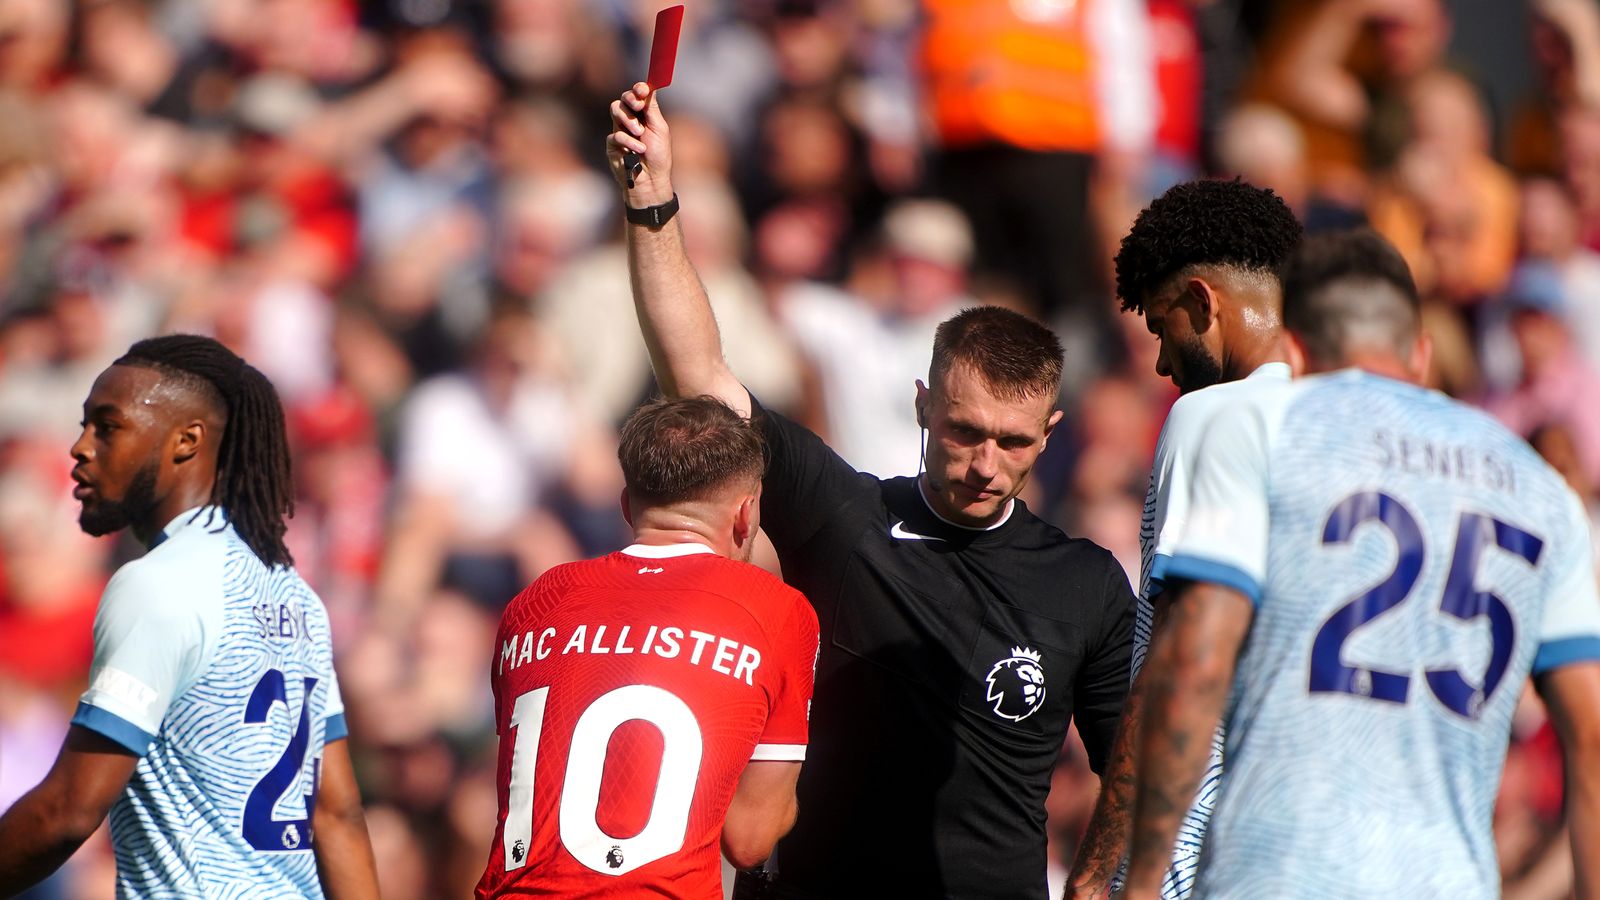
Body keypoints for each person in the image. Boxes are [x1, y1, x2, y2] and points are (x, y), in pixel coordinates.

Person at [607, 83, 1135, 900]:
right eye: (963, 431)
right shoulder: (844, 515)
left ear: (1051, 434)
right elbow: (701, 378)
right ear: (923, 404)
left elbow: (1135, 766)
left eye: (1014, 441)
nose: (985, 463)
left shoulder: (1087, 584)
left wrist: (1096, 884)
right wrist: (652, 203)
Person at [1123, 230, 1600, 898]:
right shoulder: (1539, 486)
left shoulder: (1259, 429)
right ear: (1423, 353)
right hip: (1446, 882)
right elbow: (1592, 735)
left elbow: (1196, 657)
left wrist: (1143, 881)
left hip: (1277, 872)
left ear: (1295, 350)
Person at [0, 335, 378, 898]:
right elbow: (337, 814)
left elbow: (68, 811)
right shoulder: (295, 595)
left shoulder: (157, 584)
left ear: (186, 441)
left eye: (108, 426)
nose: (80, 448)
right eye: (83, 426)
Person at [474, 396, 819, 899]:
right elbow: (749, 840)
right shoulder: (777, 609)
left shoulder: (535, 602)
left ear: (624, 506)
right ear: (747, 514)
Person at [1069, 179, 1303, 899]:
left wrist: (1101, 866)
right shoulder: (1362, 423)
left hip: (1206, 847)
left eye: (1163, 330)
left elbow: (1180, 662)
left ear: (1203, 303)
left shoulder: (1213, 418)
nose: (1165, 366)